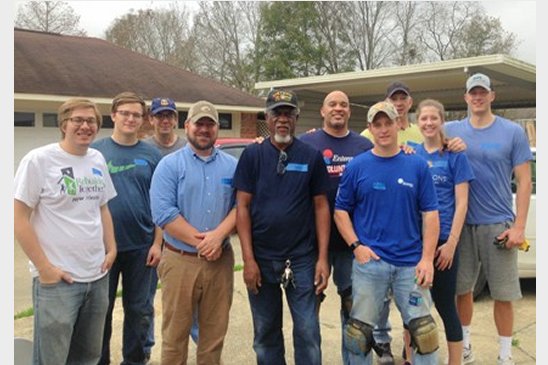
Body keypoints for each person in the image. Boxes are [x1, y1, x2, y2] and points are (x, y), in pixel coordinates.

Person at [334, 101, 440, 365]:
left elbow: (431, 214)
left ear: (397, 124)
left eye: (388, 123)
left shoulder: (416, 165)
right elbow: (340, 211)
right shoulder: (357, 166)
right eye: (377, 124)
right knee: (358, 336)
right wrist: (356, 246)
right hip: (370, 264)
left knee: (425, 335)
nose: (383, 129)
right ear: (370, 128)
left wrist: (427, 259)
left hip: (410, 266)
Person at [14, 98, 117, 364]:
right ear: (63, 124)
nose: (85, 126)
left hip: (97, 277)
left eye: (91, 121)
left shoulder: (97, 158)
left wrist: (112, 248)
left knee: (89, 357)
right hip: (58, 282)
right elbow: (19, 218)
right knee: (52, 359)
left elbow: (103, 208)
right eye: (78, 120)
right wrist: (45, 269)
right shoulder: (39, 160)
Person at [233, 89, 331, 364]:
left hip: (301, 259)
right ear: (267, 117)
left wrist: (322, 259)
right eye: (277, 113)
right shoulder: (252, 155)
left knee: (307, 331)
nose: (283, 119)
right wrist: (248, 260)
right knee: (265, 334)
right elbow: (242, 207)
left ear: (297, 118)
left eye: (289, 113)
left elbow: (321, 206)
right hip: (262, 259)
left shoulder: (311, 156)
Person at [444, 73, 533, 365]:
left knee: (503, 294)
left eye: (483, 92)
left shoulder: (512, 132)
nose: (478, 97)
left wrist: (519, 226)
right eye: (473, 93)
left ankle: (505, 354)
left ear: (492, 96)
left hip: (498, 225)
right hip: (462, 225)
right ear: (466, 97)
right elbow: (425, 149)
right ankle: (465, 346)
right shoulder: (451, 130)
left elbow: (523, 180)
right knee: (462, 290)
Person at [150, 100, 237, 365]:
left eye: (210, 124)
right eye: (199, 123)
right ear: (187, 126)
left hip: (220, 262)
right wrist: (205, 242)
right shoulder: (169, 165)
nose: (204, 129)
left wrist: (218, 237)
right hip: (179, 261)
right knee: (175, 338)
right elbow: (164, 213)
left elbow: (240, 207)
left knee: (213, 337)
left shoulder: (232, 166)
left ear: (217, 129)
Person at [299, 90, 374, 364]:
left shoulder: (363, 146)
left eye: (344, 104)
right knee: (309, 309)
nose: (338, 108)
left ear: (349, 111)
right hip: (311, 241)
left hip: (352, 242)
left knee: (353, 309)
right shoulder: (306, 142)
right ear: (322, 111)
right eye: (333, 104)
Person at [92, 91, 163, 365]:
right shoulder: (96, 152)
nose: (130, 119)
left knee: (139, 311)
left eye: (136, 114)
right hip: (101, 249)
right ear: (113, 116)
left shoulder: (151, 154)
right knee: (101, 312)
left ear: (143, 119)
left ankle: (134, 361)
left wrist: (158, 243)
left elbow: (161, 203)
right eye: (125, 113)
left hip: (142, 247)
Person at [415, 99, 475, 364]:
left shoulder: (455, 155)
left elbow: (462, 202)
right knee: (413, 308)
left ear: (442, 120)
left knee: (445, 306)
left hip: (443, 243)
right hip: (415, 242)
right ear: (417, 123)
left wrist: (451, 243)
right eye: (424, 119)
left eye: (433, 118)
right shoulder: (411, 154)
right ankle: (411, 359)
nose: (429, 123)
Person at [142, 97, 198, 358]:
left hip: (186, 237)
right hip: (150, 237)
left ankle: (204, 353)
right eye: (159, 115)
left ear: (177, 120)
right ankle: (146, 350)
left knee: (190, 304)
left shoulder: (190, 148)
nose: (165, 120)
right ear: (151, 119)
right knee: (146, 301)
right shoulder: (143, 149)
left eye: (170, 116)